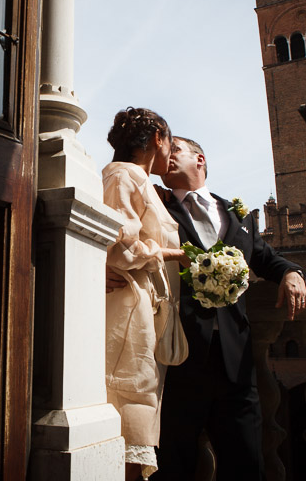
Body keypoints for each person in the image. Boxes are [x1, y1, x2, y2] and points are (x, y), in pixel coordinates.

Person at [109, 136, 306, 480]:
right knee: (173, 466)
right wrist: (103, 267)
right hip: (177, 359)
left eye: (175, 150)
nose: (165, 156)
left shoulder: (236, 214)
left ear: (199, 160)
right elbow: (120, 242)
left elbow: (264, 258)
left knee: (246, 463)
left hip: (237, 363)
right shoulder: (155, 207)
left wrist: (293, 273)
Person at [102, 108, 191, 481]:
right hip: (129, 312)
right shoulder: (124, 175)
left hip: (145, 313)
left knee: (139, 418)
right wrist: (172, 253)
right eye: (170, 142)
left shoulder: (138, 179)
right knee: (127, 421)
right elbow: (120, 247)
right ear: (157, 137)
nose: (171, 152)